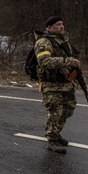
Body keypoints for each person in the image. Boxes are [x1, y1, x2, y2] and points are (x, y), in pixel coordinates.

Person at [34, 16, 81, 154]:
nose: (61, 27)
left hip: (66, 83)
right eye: (58, 25)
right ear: (49, 27)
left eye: (62, 24)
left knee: (68, 109)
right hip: (51, 84)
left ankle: (56, 133)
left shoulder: (62, 41)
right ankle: (51, 140)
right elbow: (44, 61)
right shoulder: (44, 41)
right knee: (55, 112)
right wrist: (67, 61)